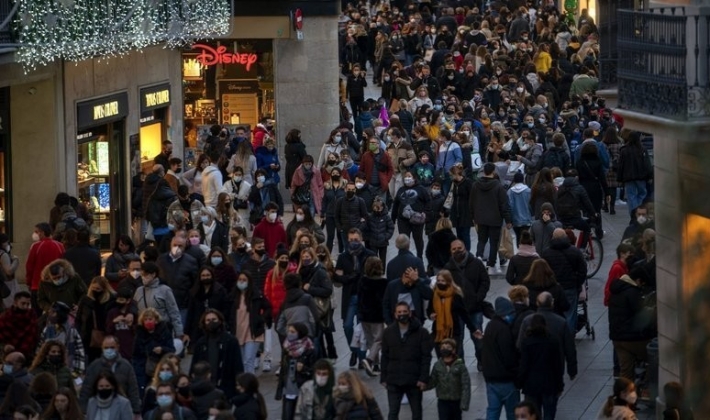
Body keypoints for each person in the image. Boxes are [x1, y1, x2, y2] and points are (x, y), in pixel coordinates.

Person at [380, 302, 433, 420]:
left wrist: (423, 378)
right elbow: (385, 356)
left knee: (416, 412)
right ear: (395, 314)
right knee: (393, 412)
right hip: (394, 379)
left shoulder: (421, 332)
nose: (402, 314)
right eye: (399, 312)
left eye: (404, 312)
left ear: (410, 313)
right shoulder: (388, 332)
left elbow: (426, 357)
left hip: (413, 380)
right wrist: (383, 377)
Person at [443, 239, 489, 365]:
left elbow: (485, 282)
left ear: (465, 248)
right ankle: (460, 363)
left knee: (478, 338)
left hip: (475, 308)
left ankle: (481, 360)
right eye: (454, 249)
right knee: (458, 339)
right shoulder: (448, 268)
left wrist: (478, 297)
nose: (457, 251)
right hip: (457, 311)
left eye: (460, 248)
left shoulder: (476, 264)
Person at [334, 228, 375, 368]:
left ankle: (362, 358)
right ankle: (355, 351)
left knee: (362, 329)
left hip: (365, 297)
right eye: (351, 240)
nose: (353, 243)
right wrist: (348, 278)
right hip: (350, 296)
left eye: (356, 240)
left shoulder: (370, 255)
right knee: (347, 326)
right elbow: (338, 277)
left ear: (361, 239)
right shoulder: (343, 257)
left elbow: (376, 275)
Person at [516, 292, 578, 384]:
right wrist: (572, 370)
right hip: (554, 368)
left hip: (532, 369)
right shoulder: (561, 322)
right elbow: (570, 348)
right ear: (551, 303)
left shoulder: (527, 320)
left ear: (537, 303)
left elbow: (520, 345)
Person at [608, 266, 656, 381]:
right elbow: (641, 315)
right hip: (633, 339)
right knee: (654, 358)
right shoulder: (632, 292)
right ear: (638, 280)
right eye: (642, 284)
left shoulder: (616, 290)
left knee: (626, 372)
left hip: (617, 338)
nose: (641, 287)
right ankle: (647, 388)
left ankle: (623, 396)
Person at [517, 314, 564, 420]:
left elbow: (524, 365)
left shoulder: (526, 342)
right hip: (549, 384)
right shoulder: (552, 341)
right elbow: (558, 365)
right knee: (549, 415)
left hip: (531, 386)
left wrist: (520, 382)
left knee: (533, 415)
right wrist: (560, 385)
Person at [481, 297, 520, 420]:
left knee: (493, 410)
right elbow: (508, 356)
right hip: (506, 379)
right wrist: (516, 373)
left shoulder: (490, 326)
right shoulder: (504, 330)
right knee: (512, 412)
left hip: (491, 379)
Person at [190, 309, 243, 399]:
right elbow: (194, 365)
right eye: (208, 320)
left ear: (220, 321)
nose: (211, 322)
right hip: (205, 389)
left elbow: (237, 365)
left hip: (226, 388)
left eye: (214, 319)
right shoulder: (201, 343)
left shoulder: (230, 341)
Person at [541, 228, 587, 332]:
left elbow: (542, 271)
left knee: (554, 311)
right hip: (570, 287)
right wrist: (577, 283)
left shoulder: (546, 253)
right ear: (565, 237)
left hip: (552, 288)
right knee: (570, 313)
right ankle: (569, 335)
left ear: (552, 238)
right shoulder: (575, 251)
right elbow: (583, 270)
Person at [470, 163, 513, 273]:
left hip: (480, 217)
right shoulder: (498, 186)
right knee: (494, 242)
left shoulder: (475, 185)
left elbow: (471, 202)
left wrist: (473, 216)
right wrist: (508, 220)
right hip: (495, 218)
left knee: (481, 239)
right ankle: (491, 262)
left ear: (483, 171)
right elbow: (503, 204)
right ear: (493, 172)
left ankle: (479, 256)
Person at [227, 270, 272, 375]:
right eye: (240, 280)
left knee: (249, 360)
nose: (242, 282)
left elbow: (268, 307)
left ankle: (249, 385)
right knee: (241, 362)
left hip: (252, 332)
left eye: (244, 280)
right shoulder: (232, 297)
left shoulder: (256, 295)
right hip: (237, 333)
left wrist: (261, 319)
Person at [427, 270, 476, 357]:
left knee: (452, 357)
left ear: (448, 281)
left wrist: (473, 329)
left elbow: (463, 313)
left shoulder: (455, 295)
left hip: (453, 331)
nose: (440, 283)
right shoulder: (434, 294)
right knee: (441, 358)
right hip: (438, 331)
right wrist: (431, 314)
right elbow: (429, 309)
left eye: (443, 281)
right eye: (438, 280)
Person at [133, 261, 184, 344]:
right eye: (141, 275)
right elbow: (135, 310)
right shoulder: (139, 291)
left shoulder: (165, 290)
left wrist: (179, 332)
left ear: (153, 274)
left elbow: (174, 312)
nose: (143, 278)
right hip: (144, 331)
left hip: (162, 330)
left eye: (145, 275)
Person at [276, 323, 317, 420]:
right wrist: (280, 389)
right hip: (289, 388)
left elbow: (314, 370)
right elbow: (283, 370)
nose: (289, 334)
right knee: (287, 415)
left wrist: (303, 369)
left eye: (293, 332)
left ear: (300, 333)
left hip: (303, 388)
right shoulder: (286, 348)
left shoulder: (309, 349)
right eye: (289, 331)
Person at [357, 257, 388, 377]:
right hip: (377, 316)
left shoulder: (362, 281)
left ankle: (375, 364)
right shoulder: (383, 283)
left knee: (370, 340)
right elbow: (383, 301)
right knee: (378, 340)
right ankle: (369, 360)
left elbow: (359, 298)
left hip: (364, 316)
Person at [427, 338, 471, 420]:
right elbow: (433, 380)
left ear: (454, 350)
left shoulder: (460, 366)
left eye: (448, 347)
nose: (445, 349)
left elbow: (466, 385)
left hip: (456, 400)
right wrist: (423, 386)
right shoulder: (437, 365)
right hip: (443, 400)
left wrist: (464, 403)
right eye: (443, 347)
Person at [133, 308, 175, 392]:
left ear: (156, 320)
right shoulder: (139, 334)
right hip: (144, 368)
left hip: (161, 366)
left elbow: (171, 350)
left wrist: (162, 349)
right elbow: (136, 354)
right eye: (145, 319)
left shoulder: (164, 331)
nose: (148, 321)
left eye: (150, 319)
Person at [186, 266, 230, 347]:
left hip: (216, 326)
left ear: (212, 276)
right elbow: (190, 312)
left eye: (208, 275)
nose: (205, 277)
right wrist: (187, 331)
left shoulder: (220, 291)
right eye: (203, 275)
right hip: (198, 328)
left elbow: (226, 309)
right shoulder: (194, 292)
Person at [37, 301, 85, 375]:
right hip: (48, 370)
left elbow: (79, 352)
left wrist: (77, 371)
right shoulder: (47, 330)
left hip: (68, 371)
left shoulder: (72, 332)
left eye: (53, 312)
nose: (49, 313)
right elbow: (40, 350)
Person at [75, 276, 114, 363]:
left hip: (103, 336)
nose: (95, 291)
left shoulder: (111, 301)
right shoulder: (85, 300)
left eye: (98, 289)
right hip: (86, 337)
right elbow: (78, 319)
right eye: (93, 288)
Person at [617, 131, 651, 218]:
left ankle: (633, 214)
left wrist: (620, 178)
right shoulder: (642, 149)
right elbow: (647, 164)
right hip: (641, 176)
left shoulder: (624, 150)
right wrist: (650, 175)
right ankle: (640, 212)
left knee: (631, 195)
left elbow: (621, 165)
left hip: (628, 176)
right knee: (642, 193)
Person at [0, 292, 38, 359]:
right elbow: (2, 335)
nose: (25, 306)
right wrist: (5, 346)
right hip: (8, 351)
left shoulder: (31, 315)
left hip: (26, 352)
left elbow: (32, 335)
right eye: (23, 303)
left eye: (28, 304)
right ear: (15, 303)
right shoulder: (6, 317)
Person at [105, 287, 138, 361]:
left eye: (122, 300)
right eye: (118, 299)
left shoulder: (133, 314)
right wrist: (114, 322)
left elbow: (138, 331)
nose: (119, 302)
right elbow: (107, 331)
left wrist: (131, 325)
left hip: (129, 349)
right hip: (116, 349)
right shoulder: (112, 312)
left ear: (128, 301)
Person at [363, 196, 394, 262]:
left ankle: (382, 272)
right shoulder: (370, 217)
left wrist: (386, 237)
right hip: (373, 242)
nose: (377, 211)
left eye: (378, 209)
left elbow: (391, 228)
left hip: (383, 242)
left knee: (383, 259)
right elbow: (366, 228)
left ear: (382, 207)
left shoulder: (386, 217)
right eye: (375, 209)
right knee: (373, 259)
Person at [508, 172, 533, 244]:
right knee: (526, 238)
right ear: (523, 180)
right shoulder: (528, 191)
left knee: (518, 237)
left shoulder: (510, 192)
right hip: (527, 219)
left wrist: (509, 219)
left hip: (515, 220)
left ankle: (520, 252)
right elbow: (530, 205)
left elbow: (509, 206)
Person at [0, 234, 18, 310]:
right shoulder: (3, 254)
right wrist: (16, 261)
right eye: (7, 242)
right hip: (6, 284)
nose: (9, 245)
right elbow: (9, 271)